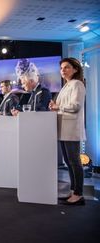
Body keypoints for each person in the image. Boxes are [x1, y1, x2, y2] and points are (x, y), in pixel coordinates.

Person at [49, 57, 86, 205]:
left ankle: (78, 194)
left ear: (75, 69)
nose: (63, 70)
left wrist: (58, 107)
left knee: (74, 162)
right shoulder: (66, 85)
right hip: (64, 128)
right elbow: (63, 104)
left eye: (67, 67)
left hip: (71, 129)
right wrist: (54, 105)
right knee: (69, 163)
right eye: (62, 68)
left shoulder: (77, 84)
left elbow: (75, 106)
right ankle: (73, 191)